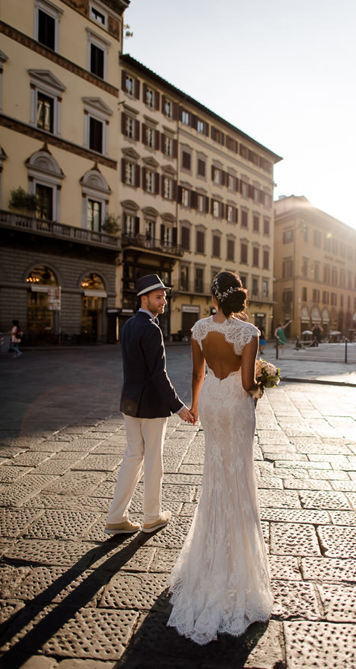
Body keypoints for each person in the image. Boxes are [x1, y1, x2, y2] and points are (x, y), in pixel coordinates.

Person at [167, 271, 272, 644]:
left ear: (214, 298)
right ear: (238, 298)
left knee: (214, 474)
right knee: (238, 474)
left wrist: (195, 408)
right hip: (236, 407)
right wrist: (261, 386)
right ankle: (237, 563)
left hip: (211, 403)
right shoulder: (250, 334)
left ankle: (209, 558)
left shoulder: (197, 330)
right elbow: (246, 383)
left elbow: (197, 373)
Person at [105, 275, 193, 536]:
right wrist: (179, 406)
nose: (163, 300)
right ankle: (152, 516)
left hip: (130, 403)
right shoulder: (152, 329)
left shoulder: (129, 325)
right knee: (153, 460)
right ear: (144, 299)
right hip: (152, 406)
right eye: (158, 297)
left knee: (132, 458)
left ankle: (116, 517)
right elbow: (158, 374)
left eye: (164, 296)